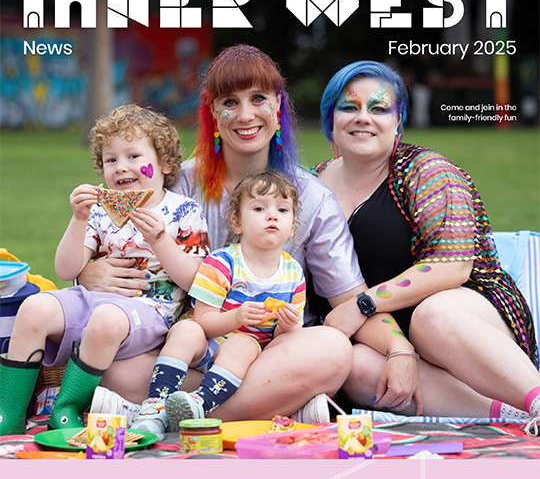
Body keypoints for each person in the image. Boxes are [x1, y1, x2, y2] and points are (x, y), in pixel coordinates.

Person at [79, 45, 421, 424]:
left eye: (258, 98)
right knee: (114, 368)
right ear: (211, 110)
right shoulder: (175, 183)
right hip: (186, 351)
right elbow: (113, 241)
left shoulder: (310, 198)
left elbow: (351, 300)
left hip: (273, 352)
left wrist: (398, 348)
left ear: (278, 105)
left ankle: (165, 413)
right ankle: (281, 406)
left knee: (334, 349)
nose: (245, 114)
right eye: (230, 101)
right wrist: (87, 273)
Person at [314, 60, 540, 433]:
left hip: (464, 318)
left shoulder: (426, 171)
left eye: (379, 108)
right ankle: (511, 416)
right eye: (349, 107)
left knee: (431, 317)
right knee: (349, 364)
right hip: (384, 339)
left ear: (398, 120)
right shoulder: (309, 188)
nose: (363, 118)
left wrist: (363, 304)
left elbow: (452, 267)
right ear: (330, 118)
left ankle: (534, 395)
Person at [0, 105, 210, 435]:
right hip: (93, 298)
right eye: (111, 160)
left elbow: (197, 281)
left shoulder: (183, 211)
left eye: (132, 155)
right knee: (34, 307)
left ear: (165, 163)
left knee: (107, 318)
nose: (121, 167)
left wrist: (159, 240)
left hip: (150, 312)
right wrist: (79, 218)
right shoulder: (100, 212)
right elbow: (65, 268)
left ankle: (67, 407)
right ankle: (8, 414)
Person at [130, 171, 306, 434]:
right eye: (259, 208)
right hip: (207, 344)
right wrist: (237, 318)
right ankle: (155, 405)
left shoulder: (293, 274)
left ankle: (199, 405)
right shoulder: (222, 263)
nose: (272, 215)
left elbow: (284, 338)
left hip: (246, 361)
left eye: (282, 210)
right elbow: (204, 320)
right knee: (186, 329)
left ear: (292, 226)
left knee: (243, 342)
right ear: (237, 222)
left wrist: (287, 326)